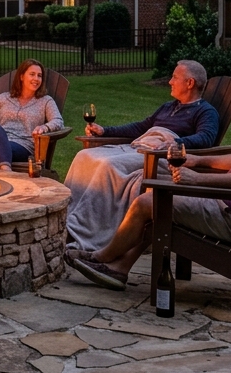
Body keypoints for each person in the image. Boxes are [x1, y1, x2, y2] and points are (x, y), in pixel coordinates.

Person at [66, 57, 231, 291]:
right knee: (158, 197)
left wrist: (198, 178)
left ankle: (101, 257)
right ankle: (118, 268)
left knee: (148, 201)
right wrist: (200, 159)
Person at [64, 60, 220, 251]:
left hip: (159, 156)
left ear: (190, 83)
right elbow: (141, 127)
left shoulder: (205, 111)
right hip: (138, 147)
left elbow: (206, 137)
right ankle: (66, 218)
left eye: (175, 77)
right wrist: (105, 130)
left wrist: (177, 143)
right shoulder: (167, 107)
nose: (170, 81)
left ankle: (83, 230)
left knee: (108, 165)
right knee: (84, 156)